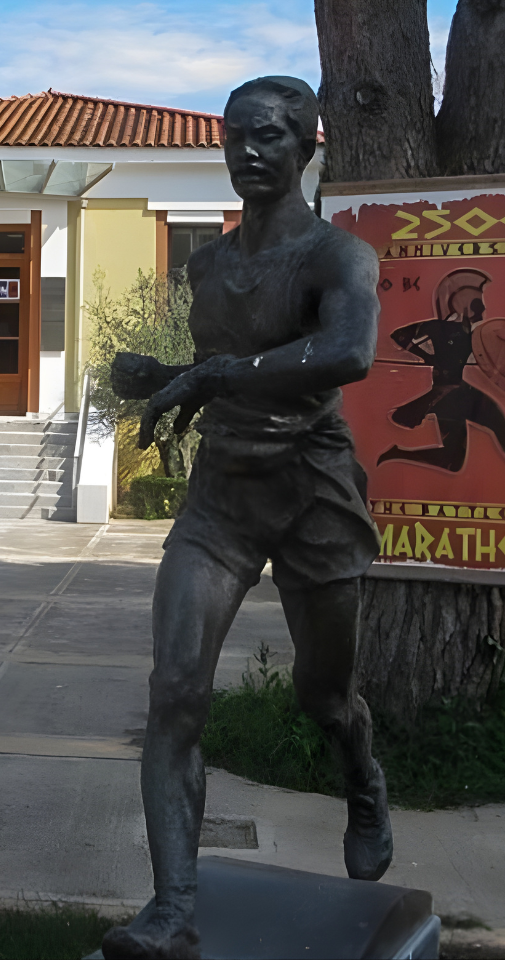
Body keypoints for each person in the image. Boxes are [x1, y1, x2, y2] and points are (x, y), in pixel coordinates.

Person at [101, 76, 393, 959]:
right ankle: (172, 908)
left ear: (309, 146)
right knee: (175, 696)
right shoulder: (209, 265)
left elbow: (346, 352)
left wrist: (220, 376)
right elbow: (219, 365)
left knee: (323, 695)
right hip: (222, 500)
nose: (248, 153)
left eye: (269, 137)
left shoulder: (340, 259)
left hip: (313, 495)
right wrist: (165, 379)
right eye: (235, 138)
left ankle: (363, 773)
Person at [377, 268, 505, 471]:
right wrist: (426, 355)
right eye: (477, 304)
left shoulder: (467, 332)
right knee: (497, 423)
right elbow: (400, 335)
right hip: (449, 393)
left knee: (452, 461)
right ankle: (397, 452)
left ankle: (397, 452)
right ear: (464, 304)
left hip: (458, 392)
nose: (482, 309)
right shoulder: (439, 328)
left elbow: (483, 356)